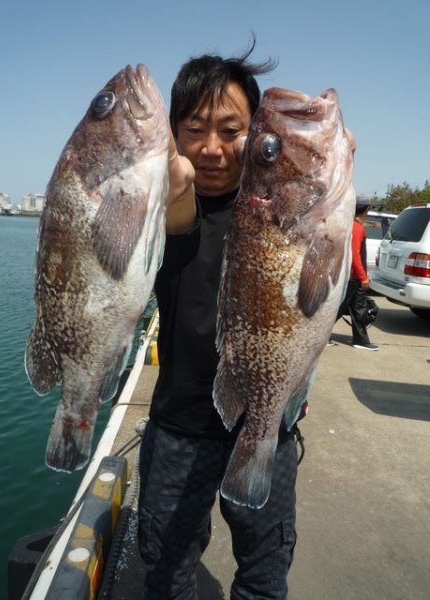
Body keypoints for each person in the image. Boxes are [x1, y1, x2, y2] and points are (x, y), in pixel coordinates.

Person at [137, 44, 302, 599]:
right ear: (172, 134)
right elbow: (179, 222)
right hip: (178, 430)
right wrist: (171, 186)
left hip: (262, 431)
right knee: (166, 568)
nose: (211, 149)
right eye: (194, 130)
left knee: (264, 569)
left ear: (254, 131)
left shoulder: (276, 206)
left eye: (230, 130)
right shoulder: (160, 208)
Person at [334, 194, 379, 351]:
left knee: (358, 308)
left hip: (353, 277)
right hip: (353, 277)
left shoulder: (352, 226)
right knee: (341, 307)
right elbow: (355, 255)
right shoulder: (357, 228)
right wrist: (363, 277)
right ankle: (322, 334)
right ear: (366, 210)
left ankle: (360, 340)